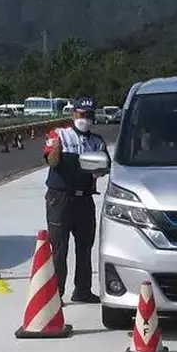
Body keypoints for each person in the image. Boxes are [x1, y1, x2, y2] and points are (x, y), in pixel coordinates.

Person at [42, 96, 109, 303]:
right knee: (59, 248)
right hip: (60, 199)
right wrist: (57, 150)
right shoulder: (59, 134)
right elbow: (52, 162)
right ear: (73, 114)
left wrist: (99, 169)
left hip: (84, 199)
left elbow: (105, 167)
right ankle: (56, 294)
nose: (85, 119)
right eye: (81, 114)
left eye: (89, 115)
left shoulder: (97, 142)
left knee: (85, 246)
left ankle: (83, 290)